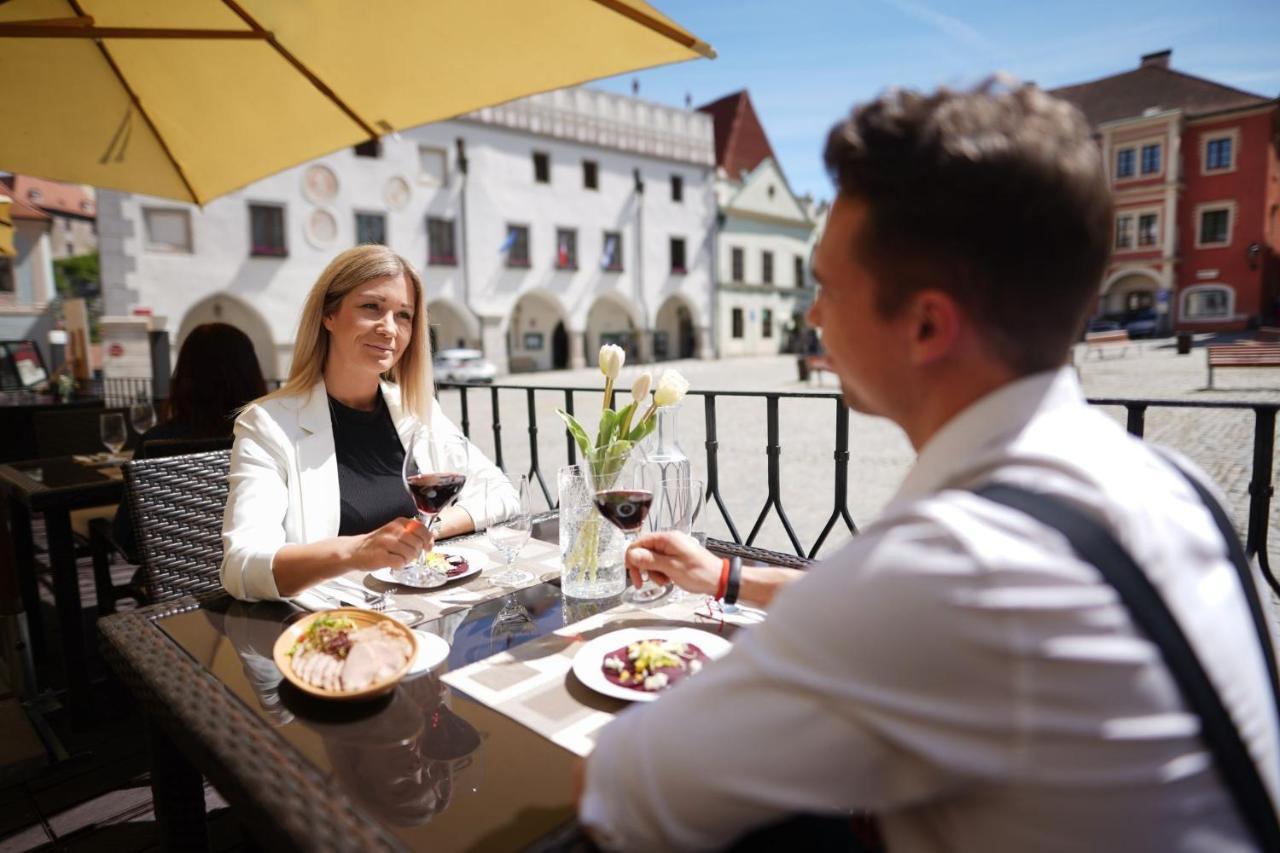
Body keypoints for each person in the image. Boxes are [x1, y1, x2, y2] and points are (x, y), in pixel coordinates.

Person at [577, 81, 1279, 850]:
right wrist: (725, 577)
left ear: (927, 323)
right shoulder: (1174, 482)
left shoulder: (954, 564)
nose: (812, 317)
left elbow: (626, 786)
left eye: (827, 287)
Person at [221, 245, 518, 601]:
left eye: (404, 316)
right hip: (335, 623)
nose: (389, 329)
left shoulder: (414, 411)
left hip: (424, 610)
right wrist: (357, 551)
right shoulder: (268, 425)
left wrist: (422, 531)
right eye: (371, 307)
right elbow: (241, 567)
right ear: (328, 315)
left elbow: (501, 494)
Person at [112, 322, 267, 562]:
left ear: (184, 375)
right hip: (258, 575)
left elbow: (128, 541)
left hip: (176, 581)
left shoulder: (156, 441)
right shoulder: (267, 437)